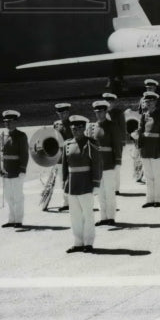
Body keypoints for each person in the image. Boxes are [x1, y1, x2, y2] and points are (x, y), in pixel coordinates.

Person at [62, 115, 101, 253]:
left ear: (83, 128)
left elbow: (97, 164)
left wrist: (96, 183)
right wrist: (64, 184)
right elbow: (65, 167)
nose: (75, 131)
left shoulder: (91, 143)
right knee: (75, 215)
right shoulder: (67, 144)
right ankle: (78, 242)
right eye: (73, 129)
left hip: (86, 183)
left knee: (88, 214)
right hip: (72, 184)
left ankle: (88, 242)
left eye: (78, 128)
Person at [0, 110, 29, 228]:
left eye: (10, 122)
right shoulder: (3, 136)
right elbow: (0, 154)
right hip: (6, 171)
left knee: (18, 196)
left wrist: (22, 169)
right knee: (8, 196)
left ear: (15, 122)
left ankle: (18, 220)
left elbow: (24, 154)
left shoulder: (21, 136)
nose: (8, 124)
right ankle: (11, 219)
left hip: (16, 171)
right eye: (6, 122)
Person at [89, 100, 118, 226]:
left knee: (109, 191)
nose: (98, 114)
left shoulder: (112, 125)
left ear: (105, 111)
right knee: (100, 192)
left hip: (109, 162)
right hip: (97, 164)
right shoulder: (92, 127)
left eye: (101, 112)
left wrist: (117, 161)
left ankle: (111, 216)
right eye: (96, 112)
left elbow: (117, 145)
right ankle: (103, 217)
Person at [138, 91, 160, 207]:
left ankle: (158, 199)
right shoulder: (144, 115)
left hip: (156, 148)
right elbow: (140, 131)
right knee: (148, 175)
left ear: (155, 102)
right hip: (146, 148)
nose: (148, 103)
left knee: (157, 175)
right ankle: (149, 199)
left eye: (151, 101)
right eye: (146, 101)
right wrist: (139, 146)